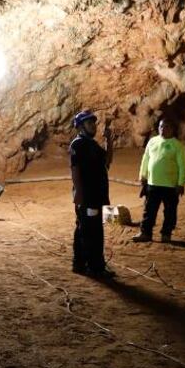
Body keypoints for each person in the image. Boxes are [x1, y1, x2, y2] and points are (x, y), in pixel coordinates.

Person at [69, 110, 115, 277]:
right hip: (87, 196)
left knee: (90, 228)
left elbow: (108, 161)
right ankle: (93, 266)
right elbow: (75, 170)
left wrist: (109, 140)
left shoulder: (93, 144)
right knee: (90, 230)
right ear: (81, 127)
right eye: (89, 123)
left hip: (97, 195)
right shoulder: (78, 144)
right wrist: (79, 194)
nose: (93, 126)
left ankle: (82, 264)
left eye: (94, 123)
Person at [133, 118, 185, 243]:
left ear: (172, 129)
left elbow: (182, 166)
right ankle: (145, 232)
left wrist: (180, 183)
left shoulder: (177, 145)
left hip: (170, 185)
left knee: (170, 212)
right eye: (161, 127)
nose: (163, 129)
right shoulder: (152, 141)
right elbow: (145, 158)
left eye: (167, 127)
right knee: (149, 210)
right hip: (153, 183)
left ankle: (166, 234)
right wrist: (143, 175)